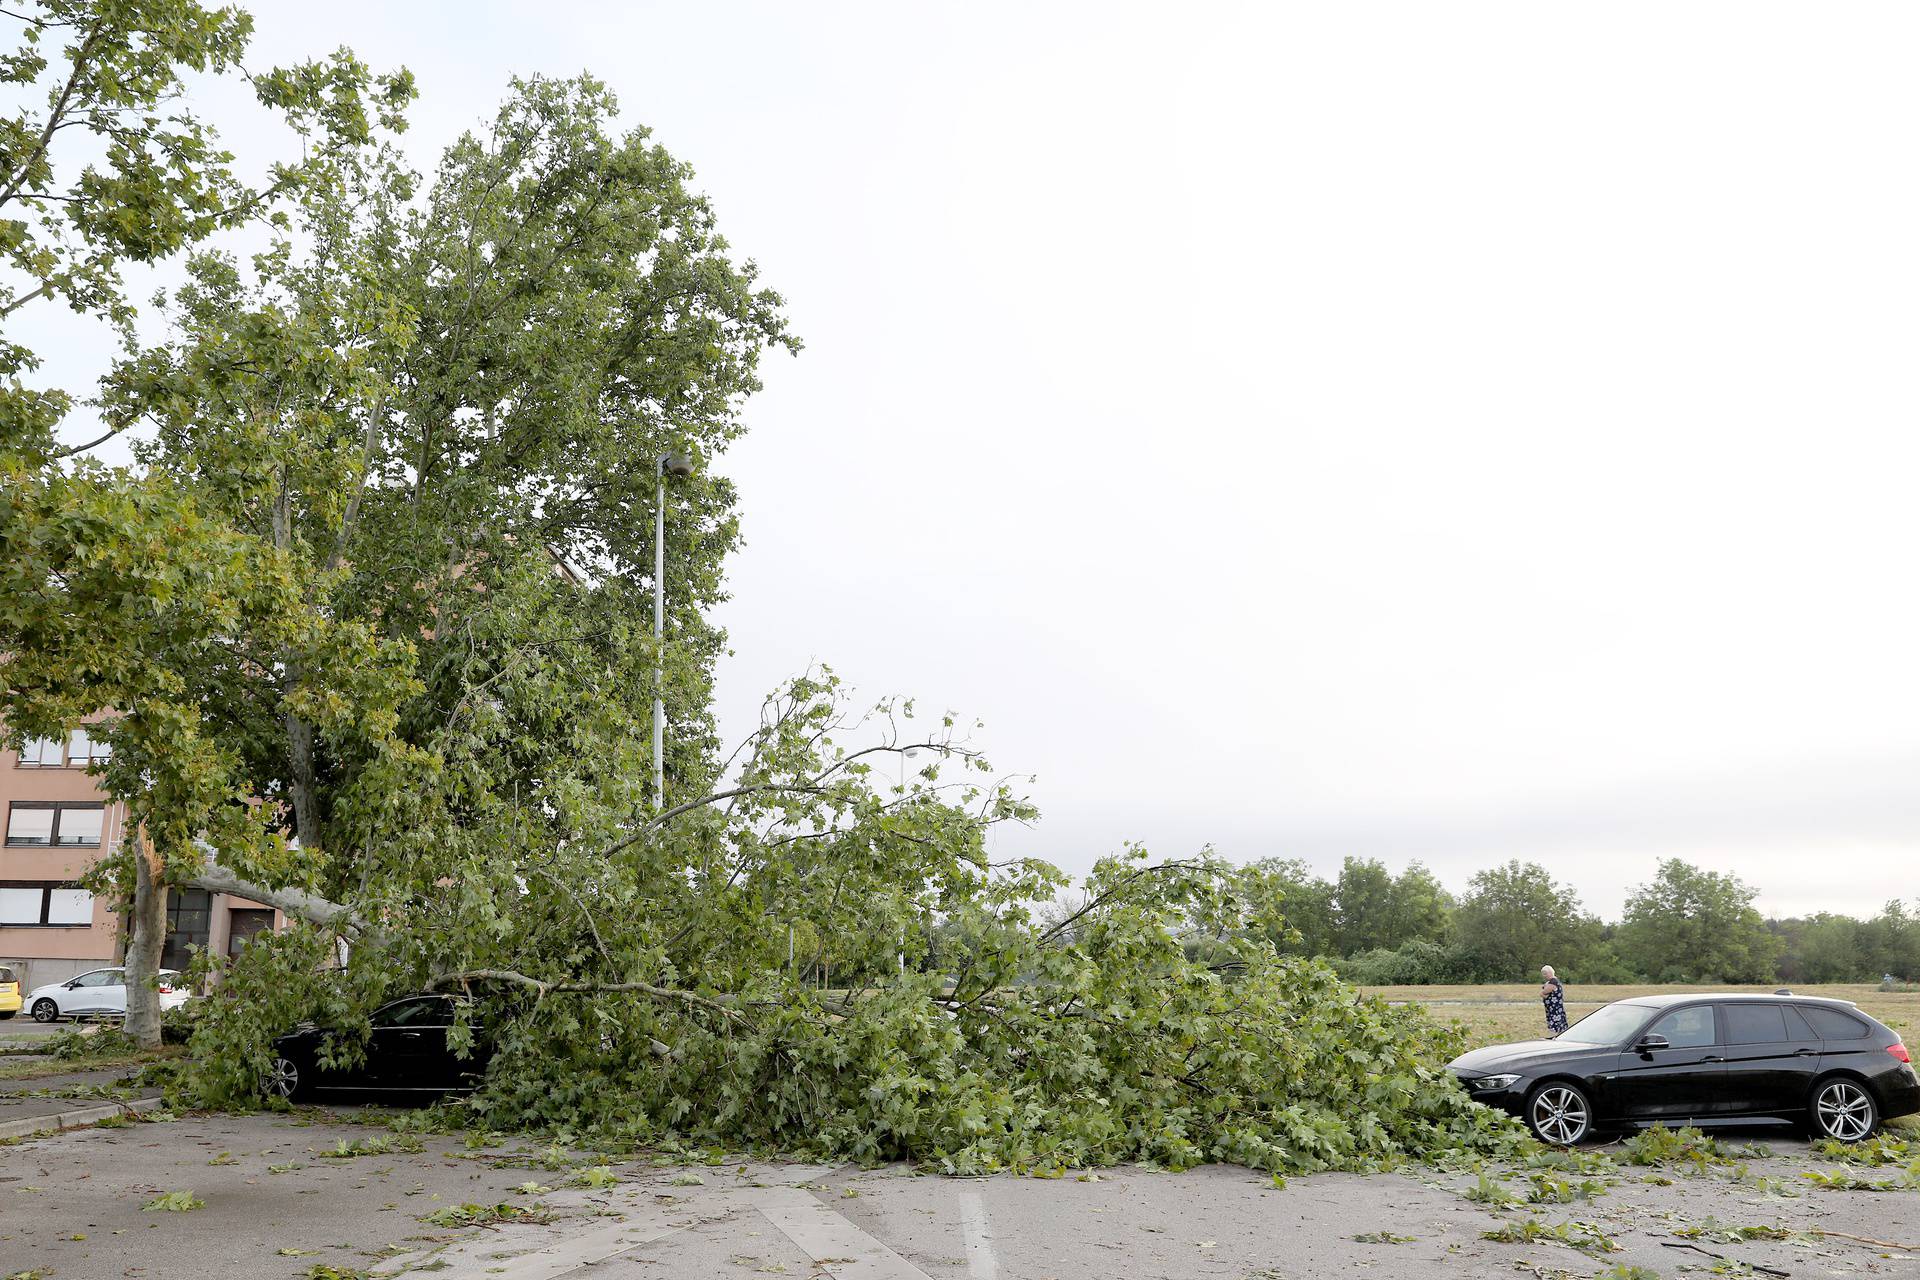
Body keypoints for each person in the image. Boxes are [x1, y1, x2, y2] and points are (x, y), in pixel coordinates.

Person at [1540, 965, 1568, 1037]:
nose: (1544, 976)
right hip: (1554, 1008)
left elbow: (1544, 993)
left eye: (1545, 974)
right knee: (1559, 1024)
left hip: (1554, 1009)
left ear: (1549, 973)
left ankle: (1555, 1037)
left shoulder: (1553, 982)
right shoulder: (1553, 981)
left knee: (1555, 1025)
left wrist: (1542, 993)